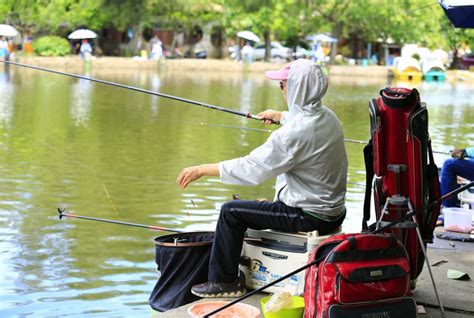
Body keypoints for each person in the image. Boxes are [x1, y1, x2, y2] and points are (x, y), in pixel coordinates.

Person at [176, 59, 348, 298]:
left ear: (296, 88)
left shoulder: (292, 135)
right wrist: (280, 115)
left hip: (308, 216)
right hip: (334, 212)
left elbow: (252, 168)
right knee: (255, 206)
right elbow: (304, 119)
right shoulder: (328, 117)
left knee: (231, 212)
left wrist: (203, 169)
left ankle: (224, 283)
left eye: (283, 85)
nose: (282, 89)